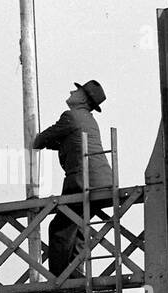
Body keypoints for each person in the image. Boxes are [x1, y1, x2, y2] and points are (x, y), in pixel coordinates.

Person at [32, 80, 112, 277]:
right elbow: (70, 142)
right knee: (78, 223)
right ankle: (76, 268)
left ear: (83, 98)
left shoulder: (70, 117)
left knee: (60, 226)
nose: (71, 91)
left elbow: (40, 140)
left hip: (84, 182)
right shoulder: (87, 120)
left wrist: (37, 140)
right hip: (102, 182)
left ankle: (60, 275)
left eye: (76, 91)